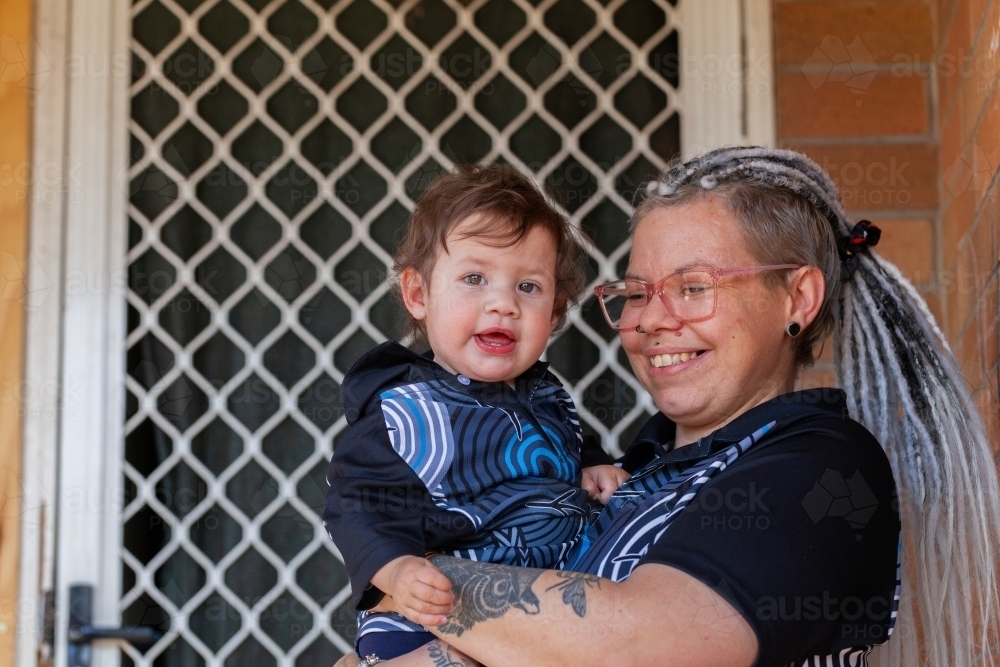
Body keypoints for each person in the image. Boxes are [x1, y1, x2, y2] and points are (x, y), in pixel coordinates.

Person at [333, 148, 1000, 667]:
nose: (652, 319)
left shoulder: (823, 468)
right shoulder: (622, 473)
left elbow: (639, 650)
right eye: (636, 290)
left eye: (693, 286)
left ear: (797, 298)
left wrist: (411, 580)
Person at [323, 165, 631, 661]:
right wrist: (397, 570)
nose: (503, 304)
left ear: (554, 312)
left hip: (539, 614)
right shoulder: (405, 413)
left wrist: (591, 465)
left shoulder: (546, 395)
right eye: (474, 278)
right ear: (419, 294)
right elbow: (356, 506)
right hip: (427, 620)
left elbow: (563, 447)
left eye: (528, 287)